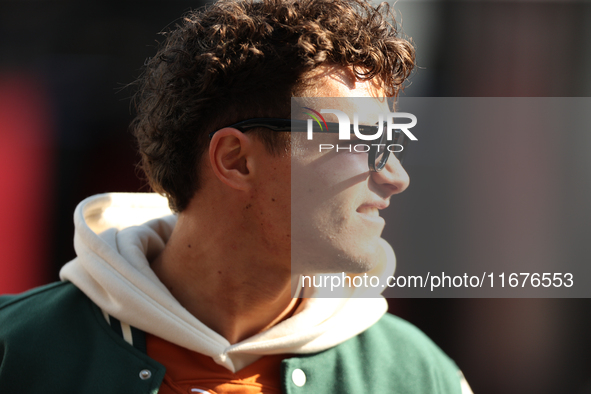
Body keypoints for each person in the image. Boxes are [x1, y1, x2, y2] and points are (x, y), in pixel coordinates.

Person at [0, 0, 472, 392]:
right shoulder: (17, 353)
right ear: (235, 159)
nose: (395, 176)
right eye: (359, 142)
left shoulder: (418, 376)